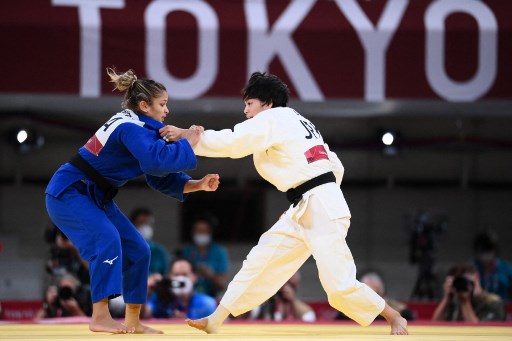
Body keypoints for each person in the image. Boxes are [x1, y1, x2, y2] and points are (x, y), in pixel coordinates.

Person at [161, 72, 408, 335]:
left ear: (267, 102)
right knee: (261, 258)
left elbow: (234, 141)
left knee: (337, 285)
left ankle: (394, 317)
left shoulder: (274, 117)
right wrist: (312, 192)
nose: (245, 111)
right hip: (309, 202)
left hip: (319, 204)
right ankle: (215, 319)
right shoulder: (298, 122)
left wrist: (189, 137)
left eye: (249, 104)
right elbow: (335, 164)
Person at [45, 68, 220, 334]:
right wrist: (189, 143)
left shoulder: (139, 127)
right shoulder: (130, 126)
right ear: (143, 105)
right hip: (69, 192)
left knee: (139, 250)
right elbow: (155, 161)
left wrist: (197, 185)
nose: (166, 111)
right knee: (107, 240)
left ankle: (133, 320)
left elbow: (157, 175)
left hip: (96, 196)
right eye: (162, 104)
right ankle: (100, 315)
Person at [145, 258, 217, 319]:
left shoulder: (207, 304)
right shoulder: (160, 301)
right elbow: (143, 315)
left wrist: (183, 322)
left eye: (185, 275)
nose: (180, 279)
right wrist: (146, 290)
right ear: (169, 277)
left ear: (195, 277)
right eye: (176, 275)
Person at [432, 263, 505, 322]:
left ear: (477, 277)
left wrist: (465, 302)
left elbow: (480, 334)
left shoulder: (493, 303)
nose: (462, 285)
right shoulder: (454, 302)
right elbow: (435, 326)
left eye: (465, 281)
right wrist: (446, 299)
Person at [180, 218, 230, 298]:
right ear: (192, 233)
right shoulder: (187, 250)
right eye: (198, 231)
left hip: (211, 296)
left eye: (204, 232)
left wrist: (210, 275)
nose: (201, 234)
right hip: (188, 297)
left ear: (210, 233)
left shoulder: (219, 252)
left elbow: (222, 285)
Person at [336, 271, 413, 321]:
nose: (371, 298)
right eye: (367, 293)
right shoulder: (347, 312)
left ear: (382, 291)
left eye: (375, 292)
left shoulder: (401, 311)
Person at [250, 271, 316, 322]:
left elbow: (309, 317)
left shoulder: (298, 307)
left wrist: (292, 300)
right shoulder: (262, 305)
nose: (285, 288)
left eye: (290, 284)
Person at [471, 231, 512, 301]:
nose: (485, 254)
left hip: (501, 307)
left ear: (494, 250)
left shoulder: (506, 268)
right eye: (482, 250)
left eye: (488, 249)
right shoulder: (472, 267)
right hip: (479, 307)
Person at [130, 207, 171, 275]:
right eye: (141, 223)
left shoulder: (159, 251)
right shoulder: (125, 250)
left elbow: (167, 273)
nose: (145, 227)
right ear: (133, 225)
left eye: (148, 223)